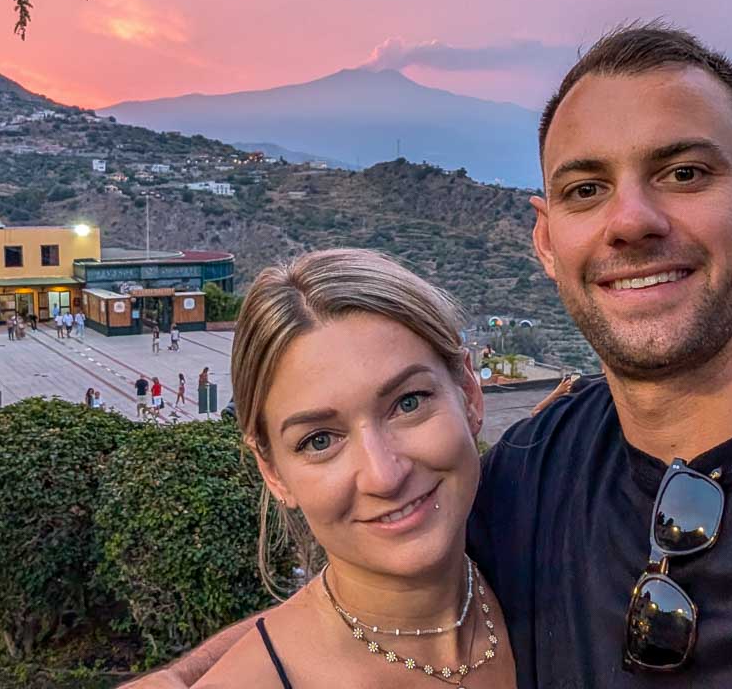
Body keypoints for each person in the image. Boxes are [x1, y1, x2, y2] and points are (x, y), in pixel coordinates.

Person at [131, 23, 732, 689]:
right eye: (585, 189)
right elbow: (366, 597)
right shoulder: (533, 479)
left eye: (684, 173)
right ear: (546, 239)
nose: (632, 221)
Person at [183, 249, 515, 689]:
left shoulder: (544, 557)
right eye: (320, 440)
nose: (384, 475)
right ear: (273, 472)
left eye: (408, 403)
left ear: (469, 395)